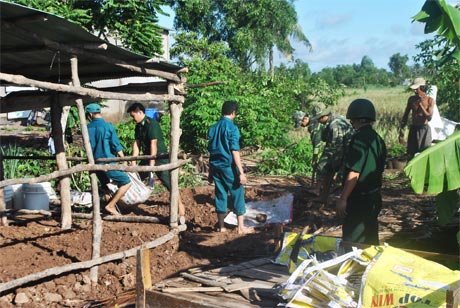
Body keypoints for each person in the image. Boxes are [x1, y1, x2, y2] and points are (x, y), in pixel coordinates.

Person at [336, 98, 387, 247]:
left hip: (359, 200)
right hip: (374, 197)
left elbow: (354, 173)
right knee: (370, 237)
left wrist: (343, 198)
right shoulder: (378, 139)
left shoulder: (359, 139)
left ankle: (355, 269)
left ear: (355, 119)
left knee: (354, 240)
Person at [127, 102, 185, 219]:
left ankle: (180, 207)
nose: (133, 119)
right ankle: (129, 204)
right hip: (147, 157)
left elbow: (154, 144)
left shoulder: (152, 124)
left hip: (159, 157)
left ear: (140, 112)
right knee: (135, 178)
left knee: (169, 183)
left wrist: (152, 164)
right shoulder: (139, 126)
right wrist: (133, 162)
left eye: (133, 116)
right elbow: (137, 143)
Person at [208, 100, 252, 234]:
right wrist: (241, 172)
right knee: (237, 193)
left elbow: (211, 150)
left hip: (216, 166)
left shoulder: (213, 128)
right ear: (233, 113)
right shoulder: (232, 128)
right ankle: (240, 227)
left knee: (220, 194)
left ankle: (222, 227)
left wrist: (210, 172)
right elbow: (234, 150)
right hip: (228, 166)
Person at [85, 103, 132, 216]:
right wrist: (123, 158)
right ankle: (110, 206)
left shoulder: (87, 128)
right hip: (107, 162)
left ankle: (110, 210)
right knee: (126, 182)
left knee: (106, 186)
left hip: (95, 162)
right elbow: (116, 145)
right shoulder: (108, 126)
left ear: (90, 114)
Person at [309, 102, 354, 204]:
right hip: (342, 150)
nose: (319, 121)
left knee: (338, 175)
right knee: (328, 171)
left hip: (347, 152)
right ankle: (323, 197)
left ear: (324, 116)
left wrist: (329, 163)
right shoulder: (332, 120)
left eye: (319, 118)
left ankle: (342, 201)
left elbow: (335, 147)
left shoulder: (334, 125)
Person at [400, 77, 434, 159]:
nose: (415, 91)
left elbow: (429, 117)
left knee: (425, 153)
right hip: (414, 128)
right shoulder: (411, 99)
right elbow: (406, 114)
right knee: (411, 152)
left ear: (422, 88)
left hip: (424, 129)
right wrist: (401, 129)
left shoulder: (430, 100)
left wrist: (421, 106)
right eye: (414, 89)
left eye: (416, 89)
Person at [300, 113, 324, 186]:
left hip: (335, 142)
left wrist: (314, 158)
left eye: (301, 122)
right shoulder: (314, 119)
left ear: (305, 119)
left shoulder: (313, 125)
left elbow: (316, 144)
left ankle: (317, 188)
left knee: (321, 166)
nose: (301, 125)